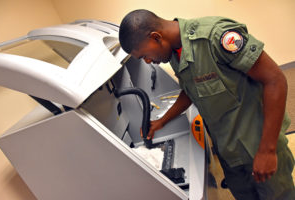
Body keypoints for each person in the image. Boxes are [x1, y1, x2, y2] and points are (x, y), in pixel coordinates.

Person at [119, 9, 295, 200]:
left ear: (156, 37)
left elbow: (275, 80)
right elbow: (191, 89)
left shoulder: (215, 38)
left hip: (258, 146)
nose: (148, 61)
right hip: (229, 152)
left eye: (144, 55)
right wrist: (162, 121)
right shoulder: (176, 53)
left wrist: (267, 151)